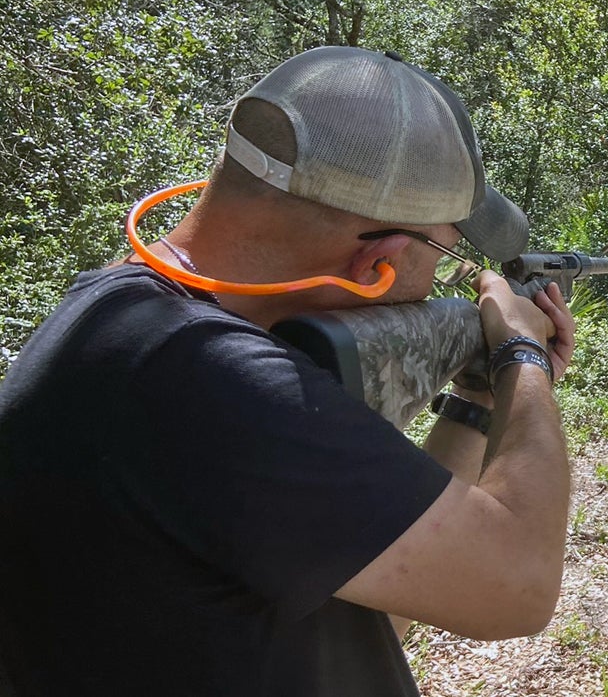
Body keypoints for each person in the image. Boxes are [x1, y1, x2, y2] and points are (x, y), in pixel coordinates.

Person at [0, 46, 575, 696]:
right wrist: (522, 356)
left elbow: (380, 620)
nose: (440, 284)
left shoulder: (120, 324)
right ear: (378, 260)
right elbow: (519, 584)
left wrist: (477, 393)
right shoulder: (216, 384)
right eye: (444, 255)